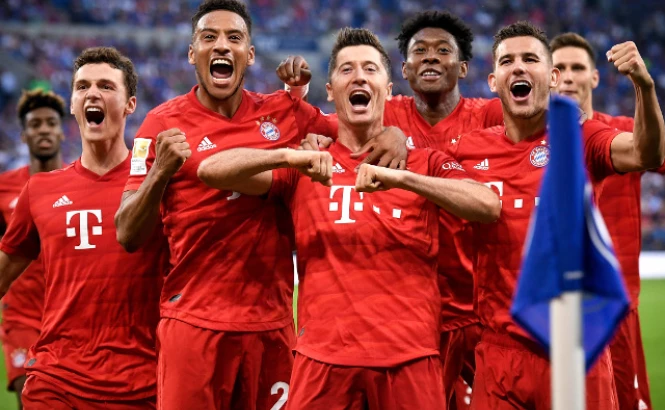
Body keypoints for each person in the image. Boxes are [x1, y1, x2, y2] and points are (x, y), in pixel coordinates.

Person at [115, 1, 404, 408]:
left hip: (271, 326)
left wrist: (395, 132)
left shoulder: (284, 112)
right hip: (194, 323)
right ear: (192, 53)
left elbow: (358, 127)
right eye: (209, 37)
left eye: (234, 38)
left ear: (249, 54)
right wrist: (160, 172)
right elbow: (127, 233)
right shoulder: (161, 124)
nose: (222, 45)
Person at [197, 27, 501, 410]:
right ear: (330, 91)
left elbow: (487, 205)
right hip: (322, 361)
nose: (359, 77)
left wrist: (403, 179)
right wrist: (286, 155)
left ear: (388, 90)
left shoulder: (424, 163)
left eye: (370, 69)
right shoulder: (306, 165)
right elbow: (211, 170)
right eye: (347, 70)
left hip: (409, 359)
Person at [443, 21, 665, 409]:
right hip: (499, 351)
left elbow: (646, 154)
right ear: (494, 81)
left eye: (531, 59)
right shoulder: (466, 150)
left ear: (552, 77)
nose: (519, 67)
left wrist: (643, 86)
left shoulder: (582, 137)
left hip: (576, 349)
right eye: (507, 61)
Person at [0, 47, 167, 409]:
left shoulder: (158, 185)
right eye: (82, 87)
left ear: (130, 104)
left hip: (142, 383)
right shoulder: (40, 190)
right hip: (56, 380)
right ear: (74, 105)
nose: (92, 93)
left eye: (106, 86)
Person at [551, 31, 662, 410]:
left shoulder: (627, 132)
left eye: (577, 67)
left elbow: (655, 152)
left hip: (615, 308)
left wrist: (643, 86)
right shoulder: (529, 140)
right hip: (553, 307)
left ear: (595, 77)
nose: (568, 77)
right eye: (559, 68)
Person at [0, 89, 65, 408]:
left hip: (67, 315)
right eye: (35, 124)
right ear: (24, 135)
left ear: (62, 132)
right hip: (22, 316)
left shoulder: (80, 182)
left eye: (51, 123)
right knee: (30, 398)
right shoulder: (4, 188)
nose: (44, 130)